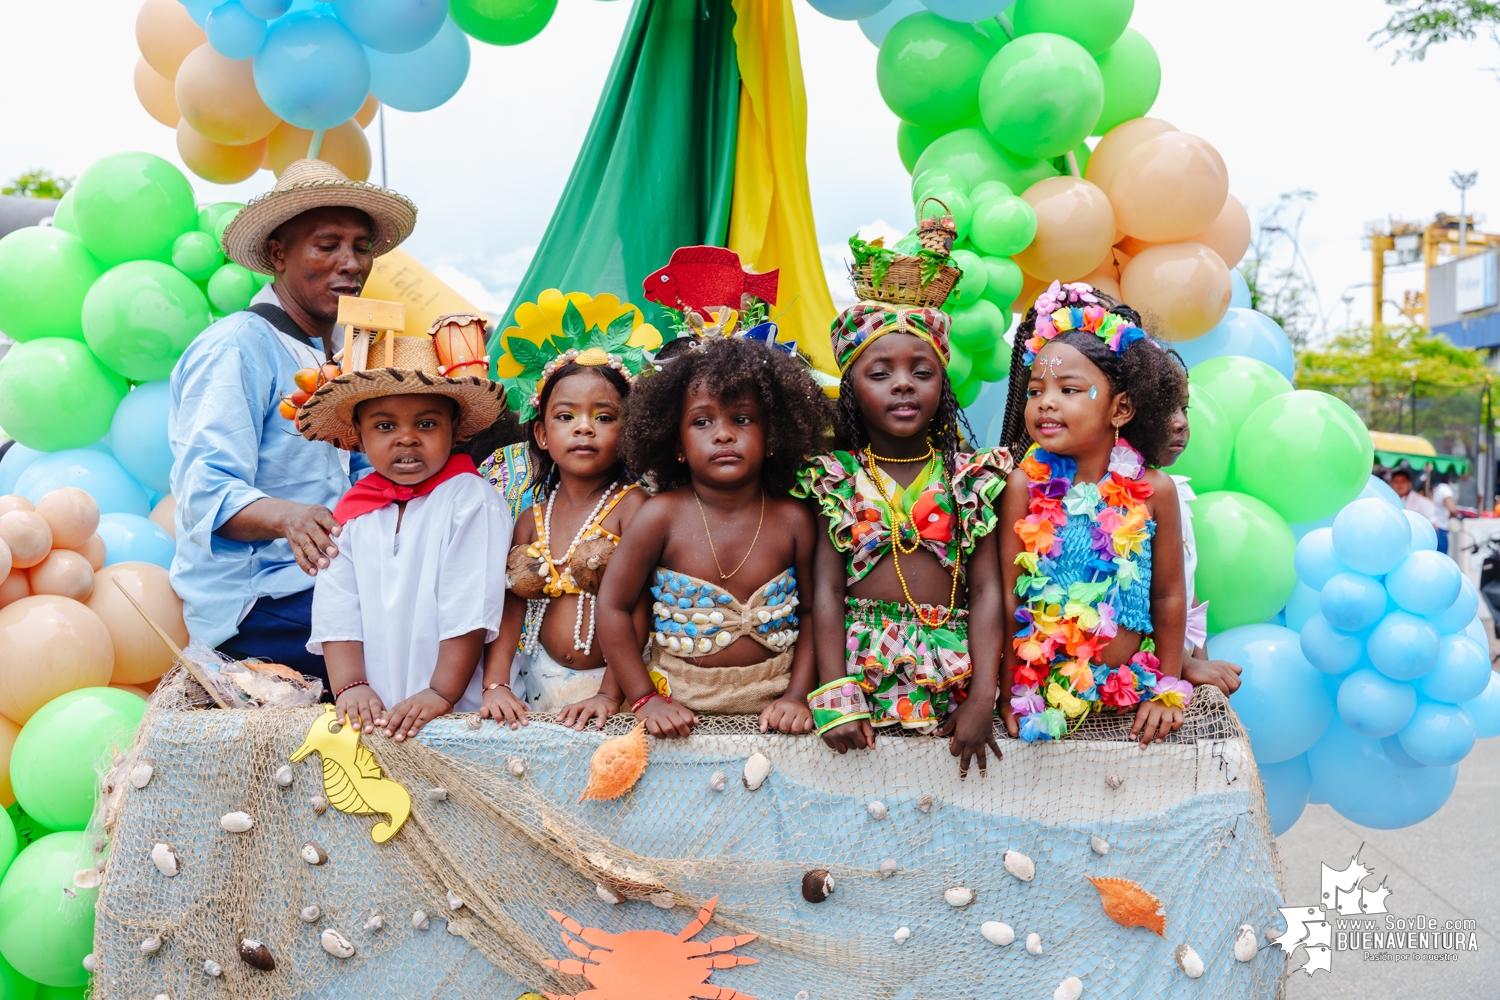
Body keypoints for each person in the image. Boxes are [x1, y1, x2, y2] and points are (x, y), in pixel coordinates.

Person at [169, 160, 417, 686]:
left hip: (329, 587)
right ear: (278, 254)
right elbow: (203, 492)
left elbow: (359, 475)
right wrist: (290, 518)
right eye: (327, 245)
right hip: (255, 606)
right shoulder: (236, 346)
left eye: (361, 246)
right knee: (417, 646)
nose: (350, 263)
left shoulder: (343, 354)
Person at [795, 300, 1010, 777]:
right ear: (850, 390)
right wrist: (835, 695)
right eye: (880, 374)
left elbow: (988, 591)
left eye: (921, 371)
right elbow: (826, 592)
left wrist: (981, 699)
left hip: (953, 673)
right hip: (861, 671)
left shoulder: (969, 477)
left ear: (943, 386)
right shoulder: (836, 477)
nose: (903, 383)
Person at [595, 334, 831, 737]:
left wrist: (797, 695)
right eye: (702, 421)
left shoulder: (794, 519)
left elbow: (811, 613)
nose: (723, 434)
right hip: (677, 703)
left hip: (773, 706)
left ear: (773, 435)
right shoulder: (659, 516)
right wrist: (644, 698)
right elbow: (613, 606)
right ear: (677, 444)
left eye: (742, 419)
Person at [997, 281, 1192, 747]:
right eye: (1036, 390)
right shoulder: (1022, 486)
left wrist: (1166, 688)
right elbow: (1005, 597)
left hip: (1124, 696)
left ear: (1121, 408)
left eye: (1068, 389)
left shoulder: (1155, 491)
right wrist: (1008, 692)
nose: (1046, 401)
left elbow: (1167, 597)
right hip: (1038, 697)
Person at [297, 329, 511, 741]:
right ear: (359, 436)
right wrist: (351, 684)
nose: (407, 437)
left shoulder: (471, 500)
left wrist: (440, 692)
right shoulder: (354, 512)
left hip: (454, 710)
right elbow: (338, 605)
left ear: (456, 430)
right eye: (385, 425)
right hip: (377, 705)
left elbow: (469, 608)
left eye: (427, 424)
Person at [477, 347, 650, 729]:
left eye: (604, 417)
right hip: (537, 683)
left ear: (629, 432)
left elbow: (640, 609)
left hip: (611, 694)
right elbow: (509, 611)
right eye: (565, 416)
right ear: (541, 433)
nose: (584, 427)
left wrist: (609, 694)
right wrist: (496, 684)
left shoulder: (633, 508)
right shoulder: (531, 519)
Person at [1162, 405, 1241, 694]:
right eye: (1165, 408)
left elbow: (1186, 589)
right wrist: (1184, 665)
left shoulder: (1175, 490)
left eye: (1184, 408)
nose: (1181, 423)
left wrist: (1199, 662)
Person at [1431, 471, 1457, 554]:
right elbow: (1452, 509)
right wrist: (1452, 516)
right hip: (1441, 528)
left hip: (1433, 526)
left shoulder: (1435, 488)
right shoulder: (1445, 488)